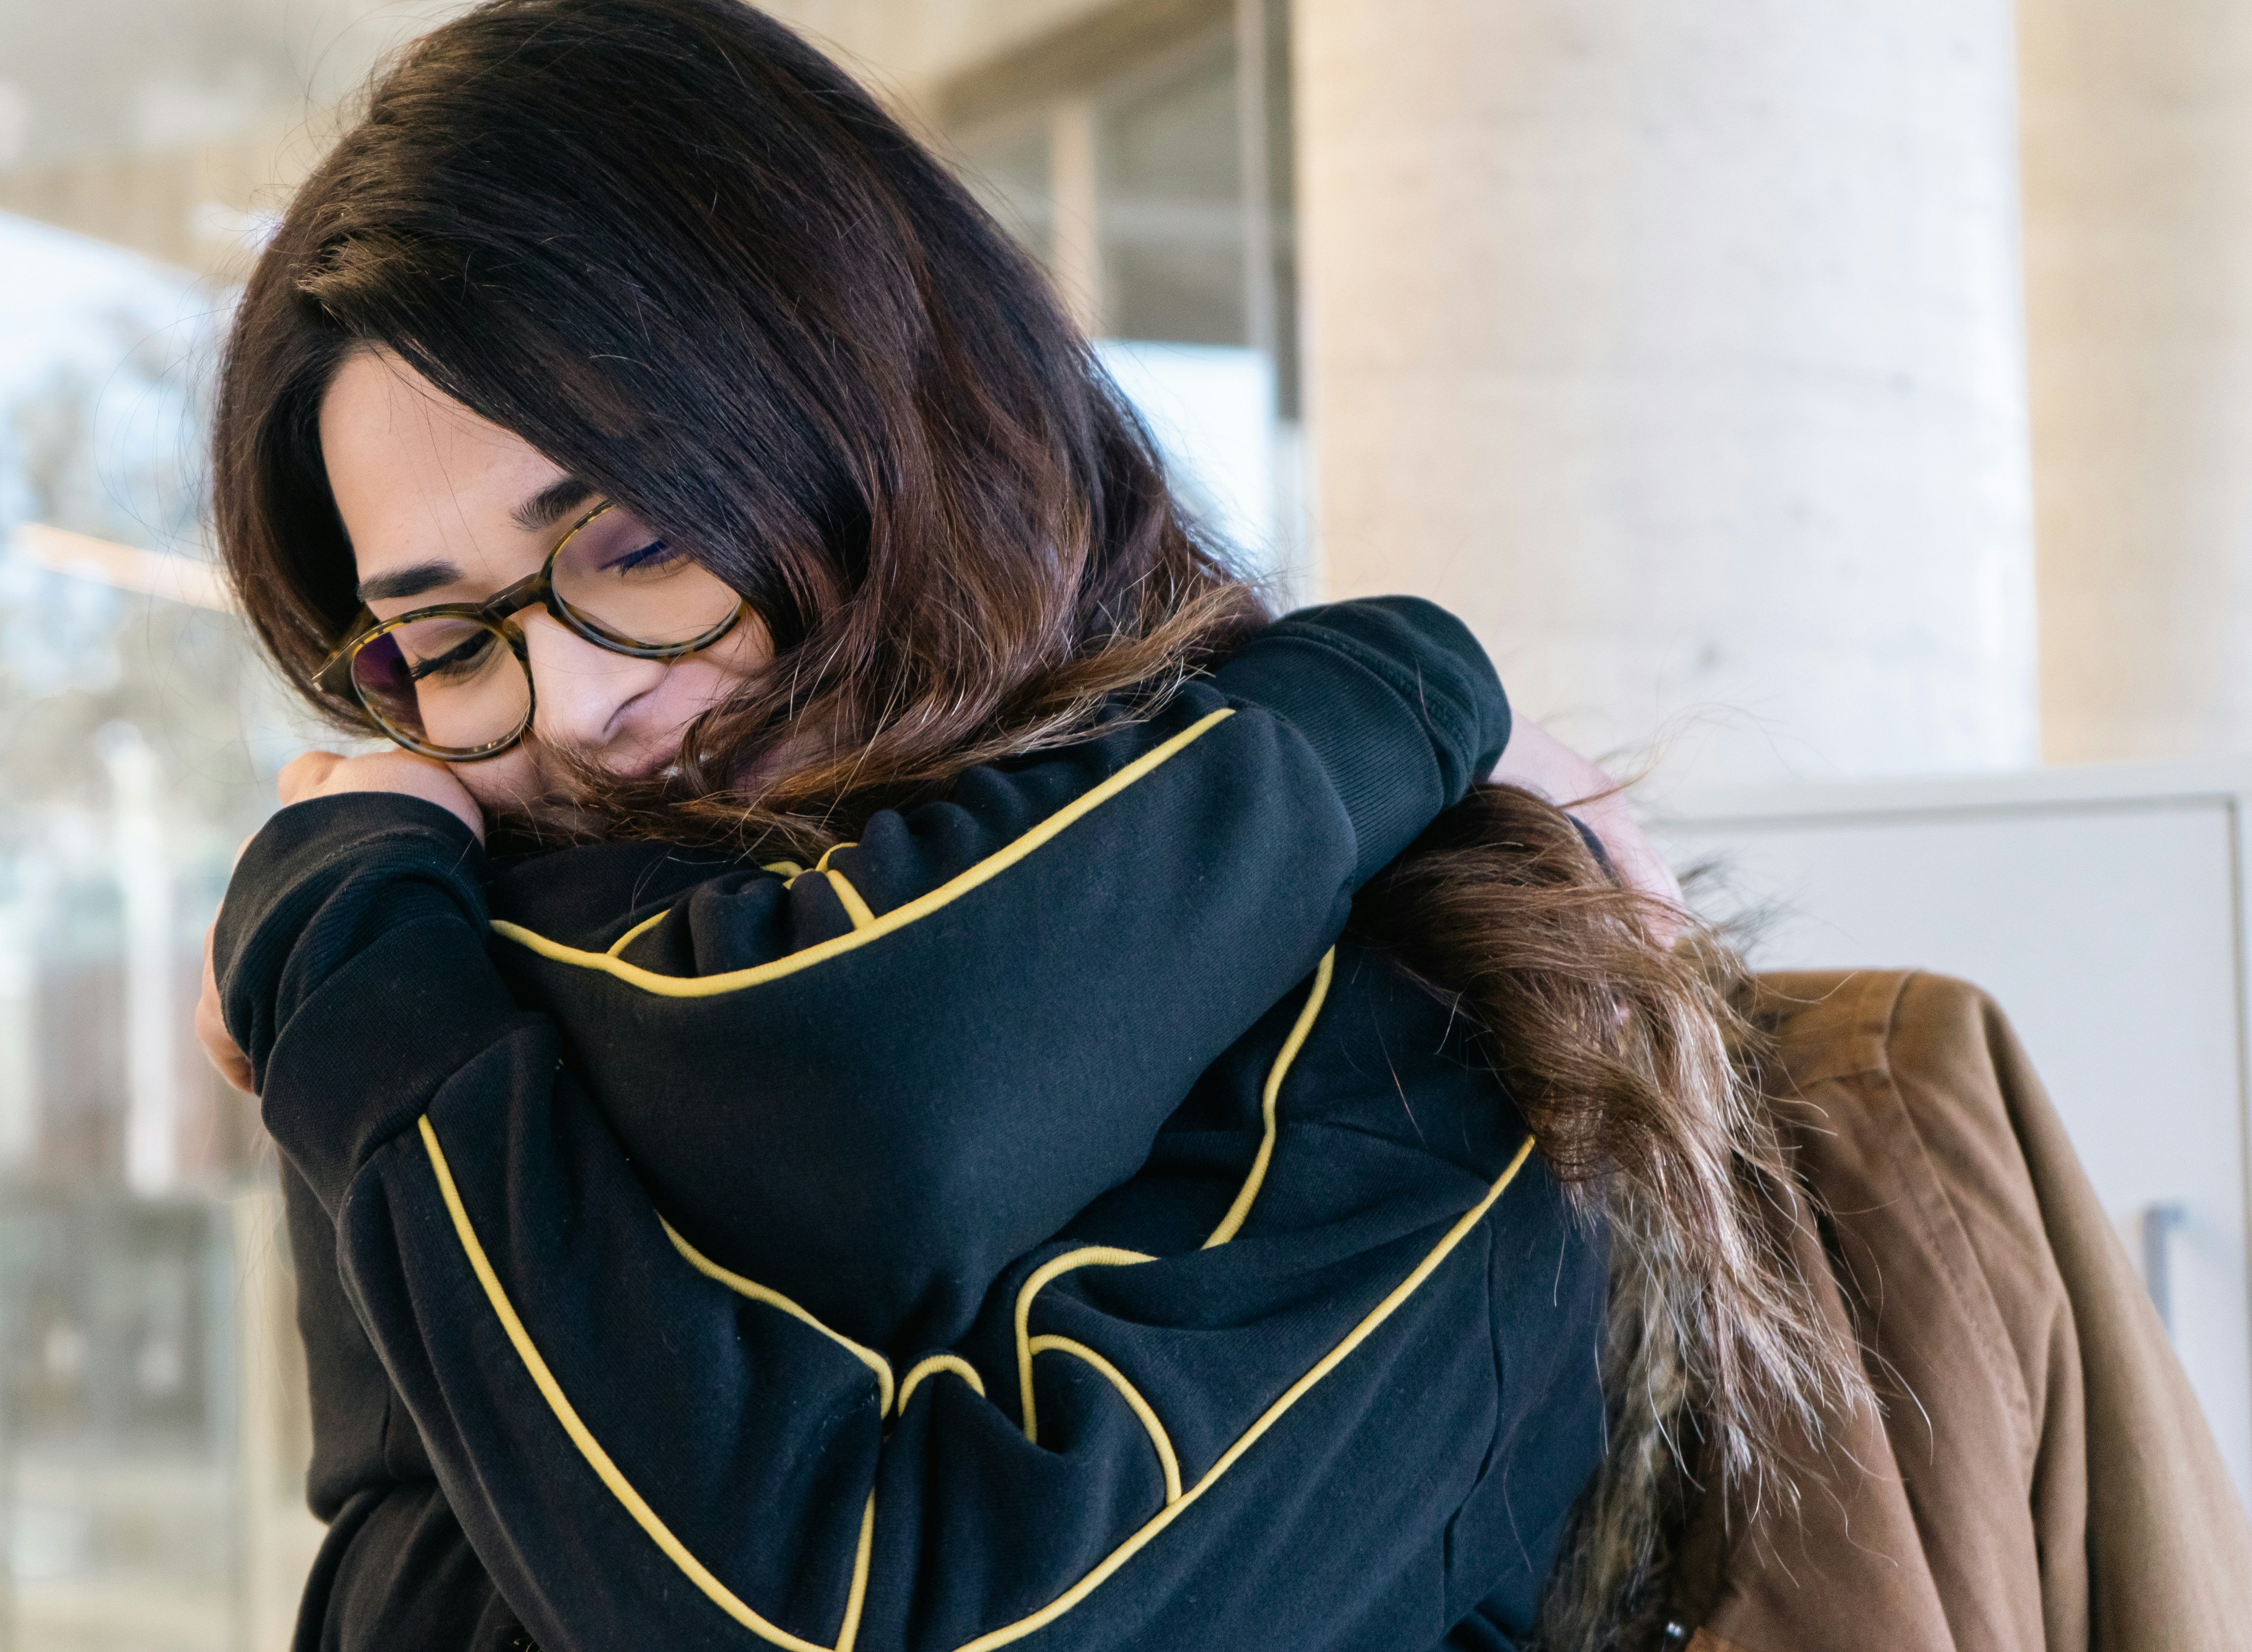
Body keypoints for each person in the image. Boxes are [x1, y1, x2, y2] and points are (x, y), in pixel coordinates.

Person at [195, 3, 1855, 1648]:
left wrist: (361, 965)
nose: (568, 704)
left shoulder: (1427, 986)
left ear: (887, 413)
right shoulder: (459, 936)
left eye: (638, 546)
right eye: (443, 642)